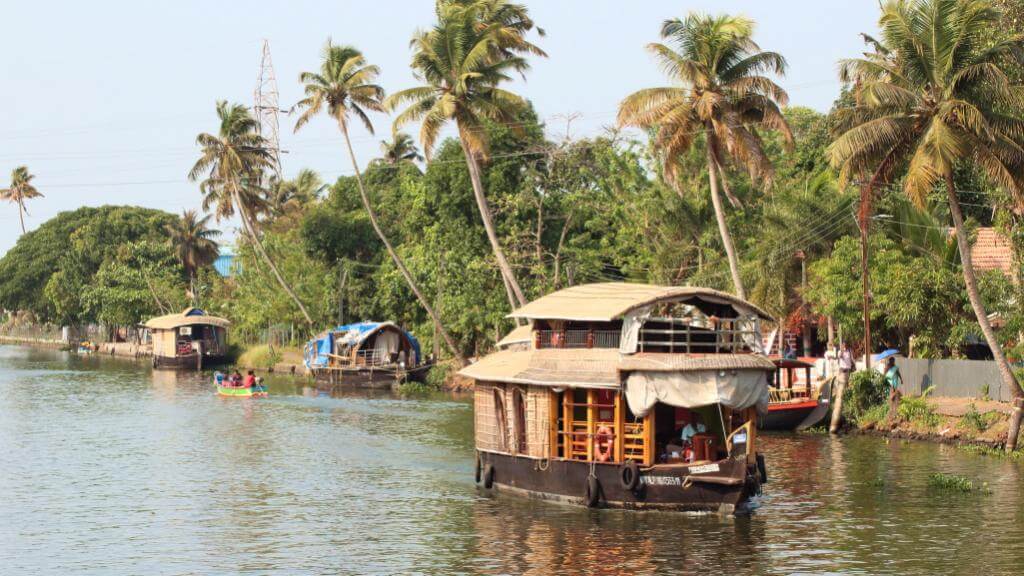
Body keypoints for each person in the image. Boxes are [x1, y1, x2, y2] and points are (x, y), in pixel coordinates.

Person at [831, 344, 855, 433]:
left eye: (845, 345)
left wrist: (853, 364)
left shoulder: (849, 351)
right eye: (843, 345)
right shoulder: (840, 352)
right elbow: (839, 356)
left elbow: (851, 359)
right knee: (841, 388)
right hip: (842, 370)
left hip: (848, 370)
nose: (844, 346)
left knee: (847, 386)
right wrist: (840, 351)